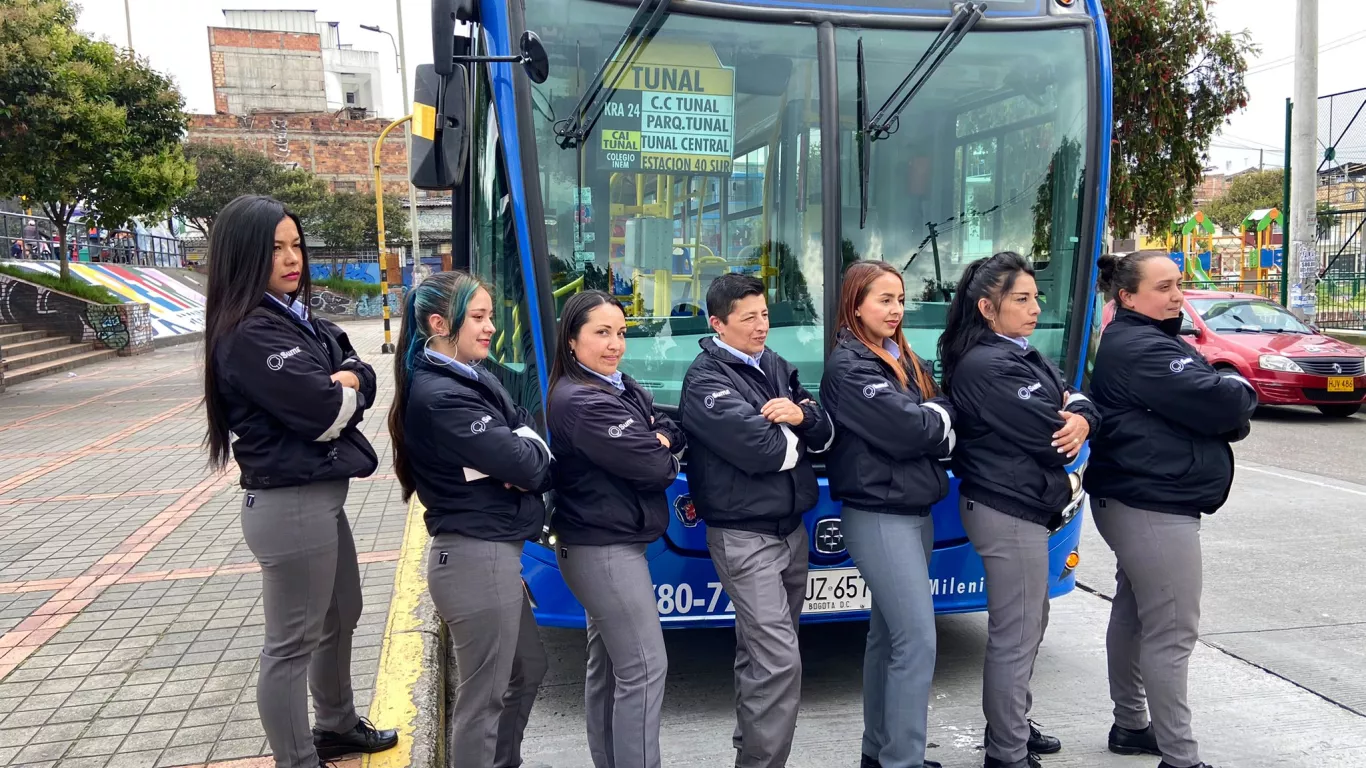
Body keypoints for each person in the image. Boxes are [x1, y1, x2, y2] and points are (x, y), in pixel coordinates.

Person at [202, 195, 396, 768]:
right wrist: (346, 386)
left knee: (344, 611)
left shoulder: (295, 317)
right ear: (243, 257)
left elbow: (358, 370)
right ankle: (297, 758)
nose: (292, 260)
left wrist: (350, 380)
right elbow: (324, 411)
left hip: (319, 498)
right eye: (276, 249)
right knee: (291, 644)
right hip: (290, 505)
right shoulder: (249, 332)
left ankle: (335, 726)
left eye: (296, 246)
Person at [1085, 251, 1257, 768]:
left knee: (1136, 614)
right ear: (1128, 297)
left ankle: (1132, 724)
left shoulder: (1143, 340)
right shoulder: (1143, 347)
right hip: (1153, 505)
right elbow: (1225, 403)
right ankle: (1179, 757)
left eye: (1178, 285)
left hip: (1136, 497)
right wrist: (1239, 393)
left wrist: (1223, 402)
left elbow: (1210, 403)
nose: (1177, 296)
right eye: (1163, 288)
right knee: (1173, 629)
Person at [938, 251, 1100, 768]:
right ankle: (1006, 752)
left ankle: (1012, 725)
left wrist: (1082, 415)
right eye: (1022, 299)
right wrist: (1074, 420)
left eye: (1036, 297)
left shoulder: (1019, 351)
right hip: (1007, 511)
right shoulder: (988, 364)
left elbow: (1076, 397)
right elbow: (1048, 432)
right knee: (1017, 631)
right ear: (988, 307)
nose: (1035, 308)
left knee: (1028, 624)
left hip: (1024, 507)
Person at [388, 270, 551, 768]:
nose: (490, 329)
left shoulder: (471, 375)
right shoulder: (443, 396)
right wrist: (525, 452)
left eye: (490, 317)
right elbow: (530, 464)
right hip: (474, 557)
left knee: (527, 667)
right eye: (478, 318)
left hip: (492, 551)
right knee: (484, 699)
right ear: (440, 324)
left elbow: (526, 436)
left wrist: (523, 447)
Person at [679, 273, 834, 768]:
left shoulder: (776, 366)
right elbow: (762, 450)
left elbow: (825, 429)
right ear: (718, 323)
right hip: (744, 538)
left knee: (758, 656)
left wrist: (803, 420)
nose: (761, 326)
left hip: (791, 534)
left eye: (765, 314)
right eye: (748, 318)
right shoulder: (706, 379)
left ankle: (751, 756)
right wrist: (798, 434)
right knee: (778, 662)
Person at [820, 261, 954, 768]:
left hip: (912, 511)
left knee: (887, 638)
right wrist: (935, 421)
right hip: (880, 515)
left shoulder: (901, 356)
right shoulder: (851, 366)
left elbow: (940, 409)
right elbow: (909, 430)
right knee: (916, 641)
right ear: (855, 304)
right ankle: (904, 760)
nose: (895, 310)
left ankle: (878, 753)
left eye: (900, 299)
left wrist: (934, 418)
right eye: (883, 299)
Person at [546, 290, 685, 768]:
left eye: (621, 332)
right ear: (571, 341)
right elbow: (657, 466)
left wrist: (658, 435)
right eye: (601, 333)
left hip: (602, 544)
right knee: (645, 669)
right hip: (603, 549)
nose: (615, 344)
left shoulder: (616, 387)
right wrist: (658, 441)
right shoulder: (585, 401)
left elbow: (666, 428)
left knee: (609, 667)